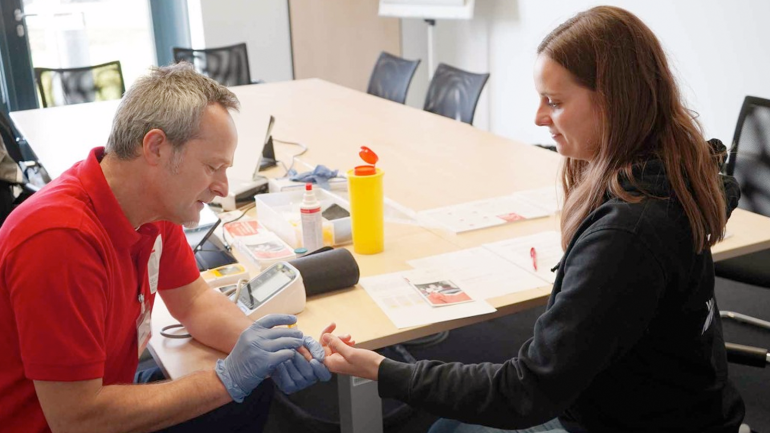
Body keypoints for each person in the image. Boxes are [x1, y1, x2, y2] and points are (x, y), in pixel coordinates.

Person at [320, 6, 746, 432]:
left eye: (555, 103)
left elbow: (526, 391)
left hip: (633, 420)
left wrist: (384, 369)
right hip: (678, 406)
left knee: (448, 428)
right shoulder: (670, 176)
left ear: (615, 102)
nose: (539, 118)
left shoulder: (629, 234)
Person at [0, 63, 332, 433]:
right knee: (232, 393)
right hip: (66, 421)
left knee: (252, 391)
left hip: (104, 392)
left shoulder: (153, 206)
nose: (223, 187)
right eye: (212, 167)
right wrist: (227, 378)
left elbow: (193, 302)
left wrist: (267, 350)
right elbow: (77, 418)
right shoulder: (58, 240)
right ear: (156, 147)